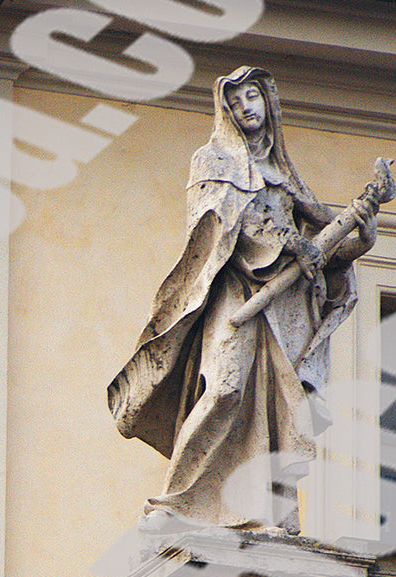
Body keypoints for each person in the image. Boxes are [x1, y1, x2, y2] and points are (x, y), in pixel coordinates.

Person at [109, 66, 377, 533]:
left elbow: (328, 252)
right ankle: (174, 504)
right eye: (233, 102)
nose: (244, 108)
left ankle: (271, 511)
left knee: (280, 407)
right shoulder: (212, 162)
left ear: (267, 102)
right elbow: (214, 225)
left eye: (251, 96)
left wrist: (363, 230)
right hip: (236, 295)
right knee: (225, 388)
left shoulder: (286, 177)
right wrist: (291, 244)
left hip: (286, 309)